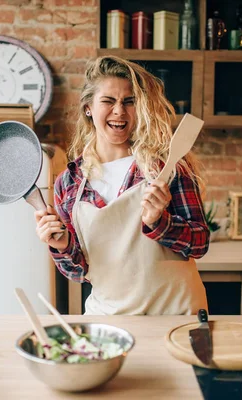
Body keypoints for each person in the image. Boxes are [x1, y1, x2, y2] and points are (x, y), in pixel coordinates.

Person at [34, 55, 210, 315]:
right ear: (88, 108)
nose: (119, 111)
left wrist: (159, 223)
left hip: (176, 317)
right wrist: (61, 245)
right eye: (108, 101)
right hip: (108, 320)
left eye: (130, 102)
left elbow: (200, 243)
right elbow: (79, 272)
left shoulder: (168, 167)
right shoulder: (69, 183)